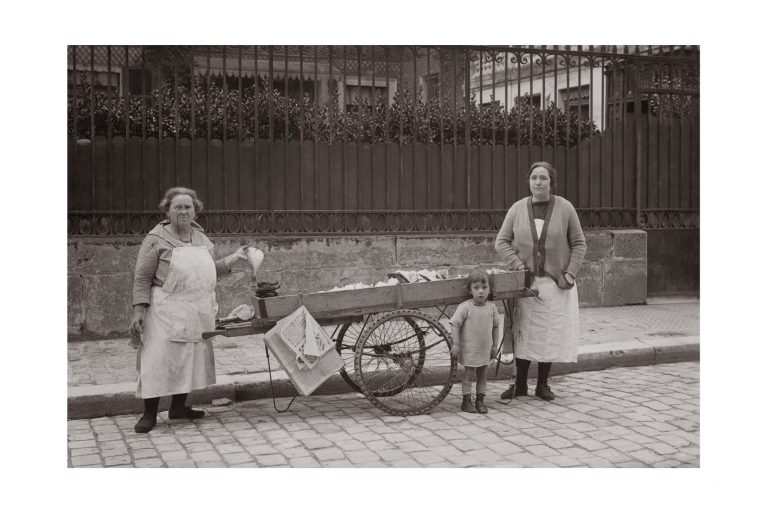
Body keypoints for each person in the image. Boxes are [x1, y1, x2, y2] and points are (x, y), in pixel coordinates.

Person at [129, 187, 254, 433]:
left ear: (196, 211)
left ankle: (178, 408)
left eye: (188, 206)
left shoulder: (201, 239)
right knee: (158, 361)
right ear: (167, 211)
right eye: (178, 206)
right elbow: (142, 278)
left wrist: (234, 258)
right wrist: (138, 311)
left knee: (188, 360)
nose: (184, 211)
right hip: (164, 310)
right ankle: (149, 413)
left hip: (195, 309)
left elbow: (209, 269)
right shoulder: (156, 239)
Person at [495, 161, 586, 401]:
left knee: (549, 332)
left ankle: (543, 384)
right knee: (523, 332)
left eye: (543, 178)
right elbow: (501, 242)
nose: (538, 182)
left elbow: (579, 243)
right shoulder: (517, 209)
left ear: (551, 182)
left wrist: (570, 273)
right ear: (529, 181)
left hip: (555, 285)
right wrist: (518, 266)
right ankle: (520, 384)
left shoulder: (565, 208)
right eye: (534, 177)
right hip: (526, 285)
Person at [449, 269, 501, 414]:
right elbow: (454, 324)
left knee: (483, 375)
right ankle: (466, 401)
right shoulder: (465, 307)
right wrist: (456, 344)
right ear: (470, 290)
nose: (480, 292)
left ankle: (480, 400)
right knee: (469, 374)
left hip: (484, 349)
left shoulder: (492, 308)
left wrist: (495, 345)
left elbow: (496, 326)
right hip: (470, 350)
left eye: (484, 288)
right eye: (476, 288)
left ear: (490, 290)